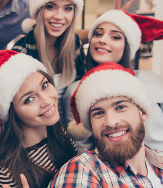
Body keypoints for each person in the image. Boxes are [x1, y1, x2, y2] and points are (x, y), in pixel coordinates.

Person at [45, 62, 163, 188]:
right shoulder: (81, 174)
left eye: (120, 107)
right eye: (98, 113)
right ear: (90, 125)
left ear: (143, 112)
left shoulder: (159, 160)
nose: (111, 122)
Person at [0, 50, 78, 188]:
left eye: (44, 85)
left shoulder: (59, 134)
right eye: (29, 99)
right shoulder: (5, 178)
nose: (47, 100)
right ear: (12, 113)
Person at [65, 9, 163, 151]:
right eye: (98, 34)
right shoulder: (77, 91)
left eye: (115, 37)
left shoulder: (149, 79)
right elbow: (82, 150)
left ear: (127, 46)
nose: (102, 40)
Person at [11, 0, 86, 127]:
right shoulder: (21, 50)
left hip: (71, 135)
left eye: (68, 8)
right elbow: (16, 110)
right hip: (36, 136)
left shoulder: (74, 44)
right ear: (39, 10)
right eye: (51, 6)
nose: (59, 16)